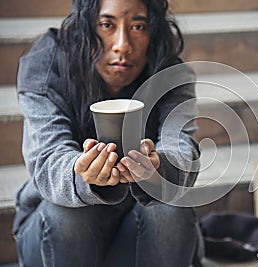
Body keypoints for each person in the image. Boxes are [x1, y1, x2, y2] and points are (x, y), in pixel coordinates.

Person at [13, 0, 203, 266]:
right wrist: (82, 174)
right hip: (57, 238)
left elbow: (181, 145)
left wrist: (160, 166)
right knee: (69, 216)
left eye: (138, 26)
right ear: (85, 26)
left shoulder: (169, 73)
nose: (122, 45)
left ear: (154, 31)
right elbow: (46, 158)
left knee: (170, 209)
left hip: (134, 230)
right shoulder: (47, 62)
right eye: (106, 24)